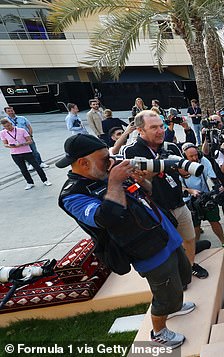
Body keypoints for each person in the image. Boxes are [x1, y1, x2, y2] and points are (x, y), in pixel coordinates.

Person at [56, 134, 194, 348]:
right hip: (144, 248)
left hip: (164, 233)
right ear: (83, 162)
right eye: (104, 158)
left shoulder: (107, 174)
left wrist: (142, 181)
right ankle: (159, 331)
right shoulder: (73, 195)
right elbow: (106, 218)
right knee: (164, 293)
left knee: (183, 273)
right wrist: (115, 181)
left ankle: (176, 303)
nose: (110, 161)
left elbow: (148, 192)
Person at [121, 110, 209, 279]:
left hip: (179, 203)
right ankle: (175, 277)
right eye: (154, 127)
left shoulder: (171, 146)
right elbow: (137, 182)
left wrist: (184, 170)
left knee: (189, 239)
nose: (160, 131)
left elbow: (184, 175)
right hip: (156, 211)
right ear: (140, 130)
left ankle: (189, 267)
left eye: (161, 126)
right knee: (167, 248)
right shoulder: (131, 151)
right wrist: (160, 164)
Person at [179, 143, 224, 257]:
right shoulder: (180, 166)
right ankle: (194, 249)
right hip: (190, 200)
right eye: (191, 156)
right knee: (195, 227)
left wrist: (218, 186)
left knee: (214, 221)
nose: (195, 158)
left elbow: (212, 177)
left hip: (205, 196)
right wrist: (190, 191)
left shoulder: (203, 161)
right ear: (184, 157)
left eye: (196, 155)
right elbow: (179, 187)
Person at [1, 118, 52, 190]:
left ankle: (45, 180)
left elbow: (30, 141)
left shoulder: (21, 130)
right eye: (5, 127)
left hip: (26, 152)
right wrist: (10, 145)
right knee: (23, 169)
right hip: (15, 154)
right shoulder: (3, 133)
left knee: (37, 167)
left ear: (11, 124)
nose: (8, 128)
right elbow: (5, 144)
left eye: (8, 126)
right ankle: (30, 182)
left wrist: (21, 144)